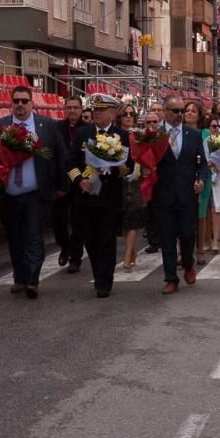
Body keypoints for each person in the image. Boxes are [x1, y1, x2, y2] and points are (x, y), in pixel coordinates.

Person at [0, 85, 68, 300]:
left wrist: (63, 186)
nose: (21, 105)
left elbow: (61, 156)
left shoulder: (47, 127)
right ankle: (20, 277)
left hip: (36, 192)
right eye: (16, 101)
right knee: (15, 237)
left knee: (33, 236)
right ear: (11, 103)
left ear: (32, 103)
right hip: (9, 193)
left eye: (25, 101)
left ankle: (33, 280)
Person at [67, 94, 133, 298]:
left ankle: (105, 281)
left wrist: (112, 168)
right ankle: (98, 273)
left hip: (109, 196)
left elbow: (129, 167)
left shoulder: (120, 135)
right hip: (86, 197)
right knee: (91, 240)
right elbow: (70, 164)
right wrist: (80, 181)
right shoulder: (82, 133)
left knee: (107, 239)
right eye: (94, 110)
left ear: (112, 113)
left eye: (101, 110)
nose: (96, 113)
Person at [154, 95, 209, 295]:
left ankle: (188, 264)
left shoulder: (193, 134)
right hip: (163, 194)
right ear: (165, 111)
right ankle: (171, 278)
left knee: (187, 235)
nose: (180, 115)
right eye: (175, 111)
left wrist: (201, 180)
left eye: (182, 111)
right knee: (167, 238)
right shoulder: (156, 134)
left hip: (187, 194)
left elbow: (202, 163)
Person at [53, 96, 87, 272]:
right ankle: (64, 246)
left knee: (78, 221)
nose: (72, 110)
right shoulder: (57, 128)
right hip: (61, 181)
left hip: (80, 181)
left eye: (75, 107)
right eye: (69, 107)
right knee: (58, 220)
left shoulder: (87, 129)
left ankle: (75, 257)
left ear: (81, 109)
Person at [185, 100, 212, 264]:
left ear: (199, 115)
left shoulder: (206, 134)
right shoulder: (179, 131)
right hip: (183, 175)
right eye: (186, 110)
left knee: (200, 214)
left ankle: (200, 248)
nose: (189, 113)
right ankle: (182, 250)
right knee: (183, 213)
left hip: (202, 175)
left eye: (193, 111)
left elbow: (210, 158)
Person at [120, 109, 148, 270]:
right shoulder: (114, 135)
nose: (128, 117)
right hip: (120, 179)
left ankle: (127, 255)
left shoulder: (139, 135)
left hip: (136, 180)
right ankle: (132, 250)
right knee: (124, 218)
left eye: (131, 114)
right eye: (125, 114)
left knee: (132, 217)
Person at [143, 101, 167, 254]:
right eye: (149, 121)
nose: (152, 122)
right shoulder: (141, 136)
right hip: (148, 176)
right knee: (150, 210)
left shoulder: (166, 133)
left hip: (164, 177)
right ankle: (153, 240)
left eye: (158, 111)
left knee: (163, 209)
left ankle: (165, 238)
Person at [206, 115, 220, 251]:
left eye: (217, 126)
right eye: (212, 126)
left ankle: (215, 240)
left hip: (219, 177)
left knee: (217, 209)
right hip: (206, 175)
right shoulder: (204, 140)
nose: (215, 129)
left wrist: (219, 167)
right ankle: (207, 239)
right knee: (207, 210)